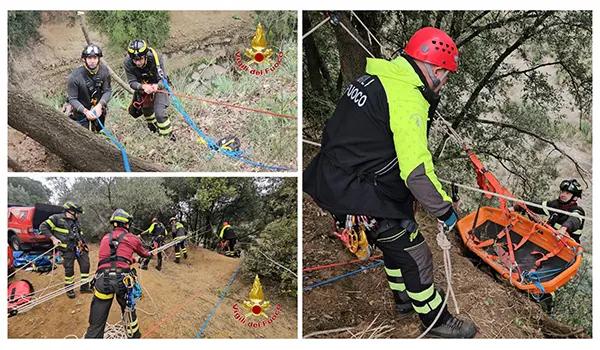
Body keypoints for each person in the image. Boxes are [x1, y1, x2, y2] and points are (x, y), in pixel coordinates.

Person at [303, 27, 476, 338]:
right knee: (416, 255)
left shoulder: (377, 78)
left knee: (392, 243)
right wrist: (446, 213)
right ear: (436, 70)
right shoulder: (406, 97)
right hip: (356, 190)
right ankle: (436, 322)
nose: (445, 82)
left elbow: (365, 139)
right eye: (446, 75)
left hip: (337, 176)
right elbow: (416, 172)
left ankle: (403, 299)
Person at [84, 209, 152, 339]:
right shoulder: (133, 238)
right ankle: (134, 337)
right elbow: (145, 254)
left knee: (96, 325)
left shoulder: (105, 238)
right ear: (127, 224)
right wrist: (149, 254)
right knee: (128, 312)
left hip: (103, 280)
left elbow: (112, 258)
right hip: (123, 281)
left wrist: (131, 259)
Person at [123, 39, 175, 141]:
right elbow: (132, 82)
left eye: (140, 59)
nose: (137, 63)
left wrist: (157, 87)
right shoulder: (128, 62)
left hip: (158, 87)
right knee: (147, 112)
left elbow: (162, 79)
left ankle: (169, 140)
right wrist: (142, 87)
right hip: (143, 87)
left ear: (146, 56)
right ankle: (153, 130)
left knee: (159, 114)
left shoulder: (156, 58)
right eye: (135, 60)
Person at [39, 201, 91, 299]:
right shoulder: (56, 218)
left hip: (79, 248)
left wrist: (83, 243)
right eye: (77, 213)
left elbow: (78, 234)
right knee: (69, 269)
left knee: (85, 265)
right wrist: (53, 239)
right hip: (67, 249)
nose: (78, 215)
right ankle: (69, 289)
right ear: (71, 211)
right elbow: (43, 227)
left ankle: (84, 287)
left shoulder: (75, 221)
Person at [512, 179, 585, 244]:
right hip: (550, 242)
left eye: (567, 193)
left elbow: (574, 220)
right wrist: (516, 207)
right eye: (562, 192)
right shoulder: (555, 204)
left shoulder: (578, 211)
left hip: (566, 249)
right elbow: (536, 206)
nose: (563, 195)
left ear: (575, 197)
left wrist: (564, 228)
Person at [66, 43, 112, 133]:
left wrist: (99, 106)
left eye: (95, 58)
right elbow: (72, 99)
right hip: (80, 109)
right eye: (89, 58)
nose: (92, 61)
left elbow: (107, 91)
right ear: (85, 59)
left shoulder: (104, 72)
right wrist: (85, 111)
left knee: (98, 130)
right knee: (82, 134)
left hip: (98, 108)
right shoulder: (74, 77)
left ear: (98, 59)